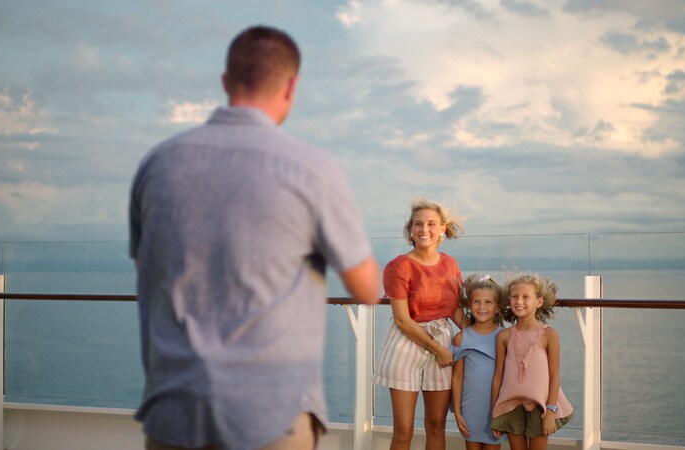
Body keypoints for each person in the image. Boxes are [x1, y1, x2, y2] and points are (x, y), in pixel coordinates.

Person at [128, 25, 380, 450]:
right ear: (291, 86)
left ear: (226, 81)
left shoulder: (158, 164)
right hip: (271, 414)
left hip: (173, 410)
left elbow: (150, 268)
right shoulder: (311, 169)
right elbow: (367, 289)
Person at [374, 198, 467, 450]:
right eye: (418, 224)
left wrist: (480, 336)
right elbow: (402, 320)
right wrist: (439, 350)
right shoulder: (398, 266)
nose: (424, 229)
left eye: (431, 224)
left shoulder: (450, 264)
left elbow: (455, 309)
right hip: (407, 344)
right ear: (410, 230)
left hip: (443, 344)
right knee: (403, 430)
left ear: (442, 230)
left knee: (436, 426)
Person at [490, 273, 573, 450]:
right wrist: (495, 413)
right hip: (511, 406)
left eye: (526, 297)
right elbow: (498, 377)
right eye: (514, 297)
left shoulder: (549, 335)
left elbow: (554, 376)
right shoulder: (504, 336)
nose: (519, 301)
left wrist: (550, 412)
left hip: (540, 407)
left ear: (539, 302)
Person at [451, 274, 507, 450]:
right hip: (470, 409)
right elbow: (458, 377)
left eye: (488, 302)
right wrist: (458, 413)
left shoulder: (504, 337)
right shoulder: (461, 338)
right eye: (477, 302)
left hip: (496, 408)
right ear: (469, 305)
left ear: (497, 307)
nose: (482, 307)